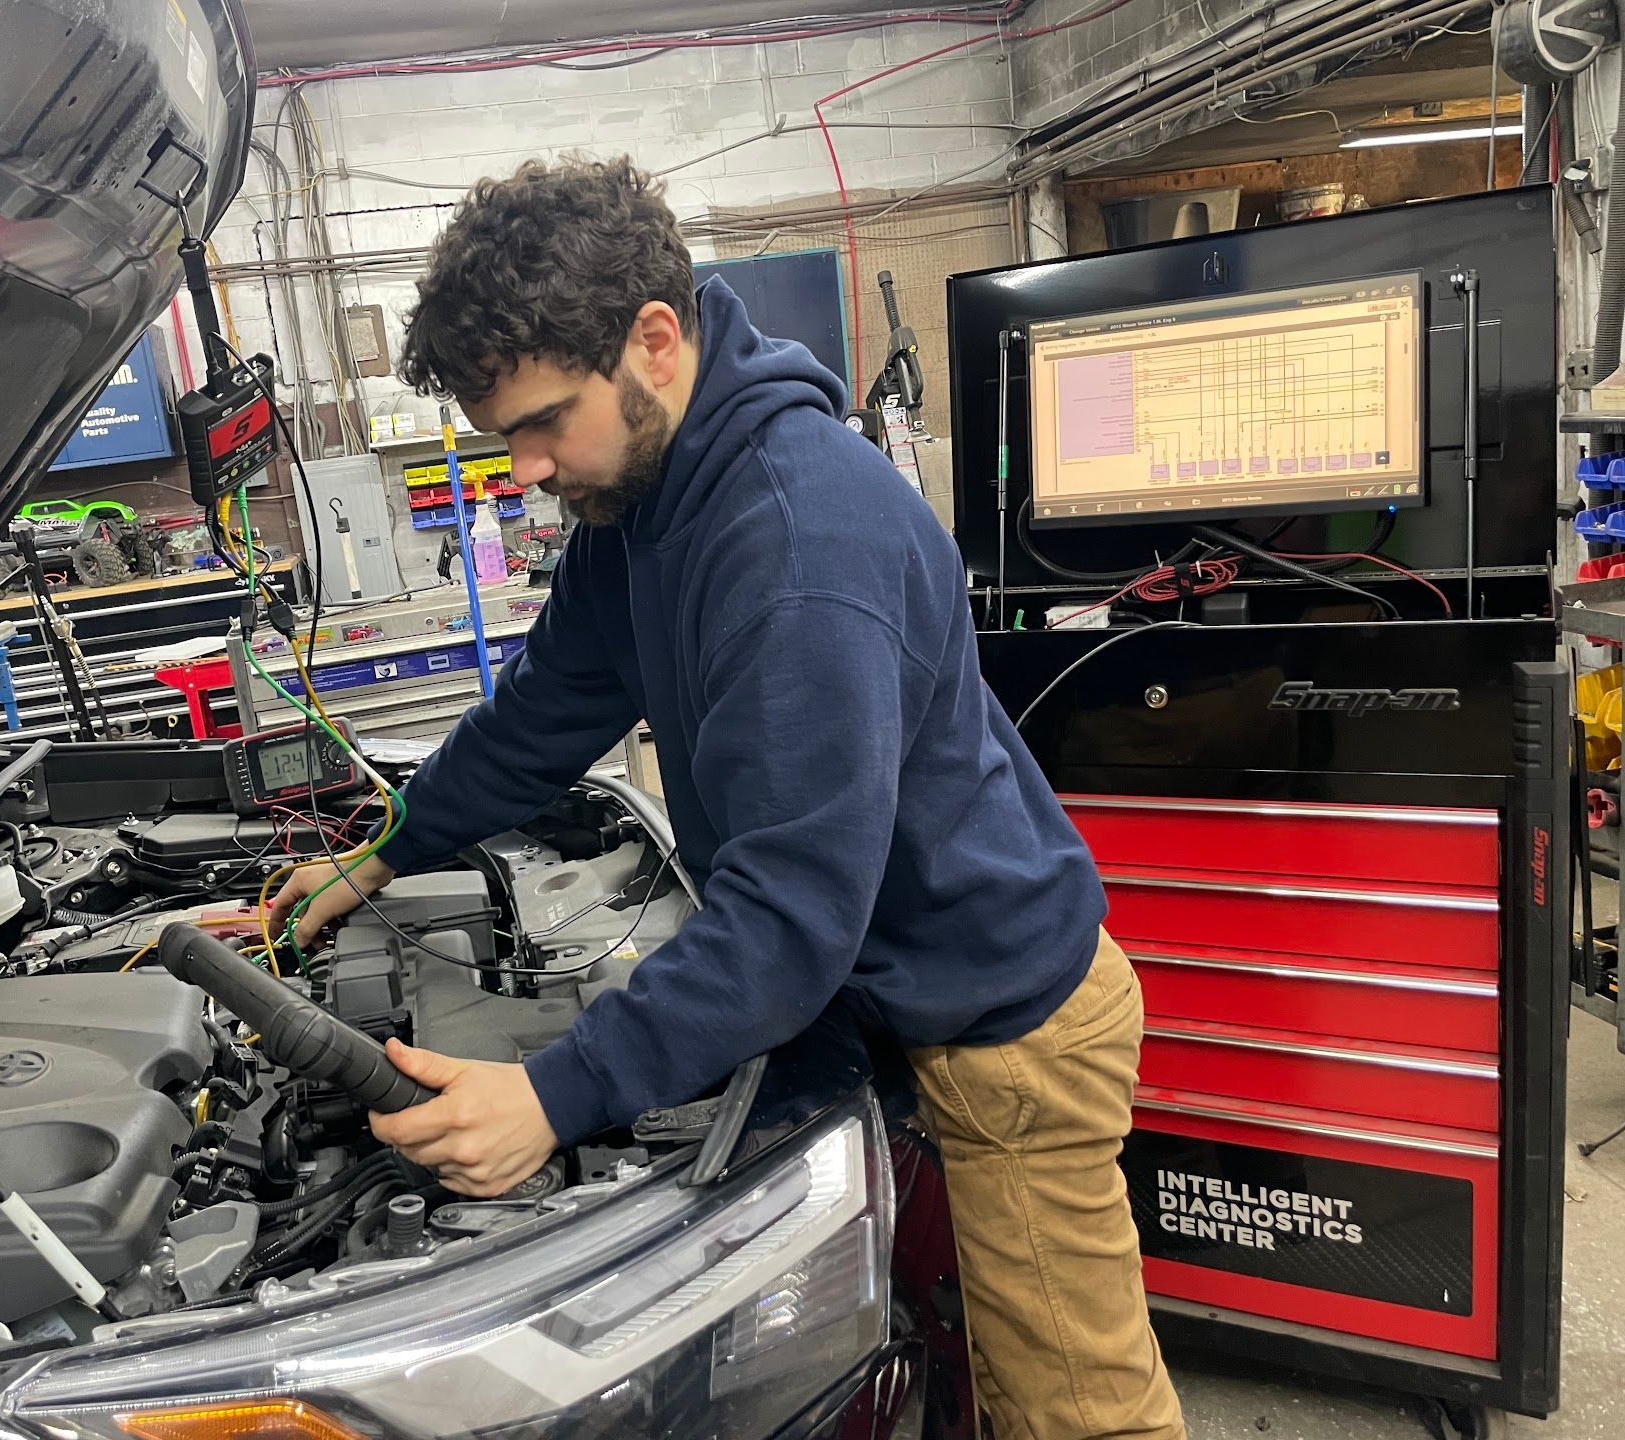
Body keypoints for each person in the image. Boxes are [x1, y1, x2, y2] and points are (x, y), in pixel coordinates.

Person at [267, 156, 1185, 1440]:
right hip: (887, 994)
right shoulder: (642, 505)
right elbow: (545, 709)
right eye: (503, 438)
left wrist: (552, 1096)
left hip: (1002, 1029)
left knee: (1077, 1407)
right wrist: (381, 856)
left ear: (656, 340)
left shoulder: (798, 544)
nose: (525, 467)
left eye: (544, 423)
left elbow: (788, 918)